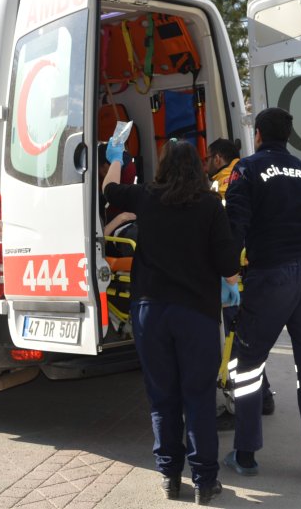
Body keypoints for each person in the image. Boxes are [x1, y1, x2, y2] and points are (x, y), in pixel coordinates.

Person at [102, 138, 241, 505]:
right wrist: (230, 285)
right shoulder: (209, 205)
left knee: (162, 398)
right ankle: (205, 481)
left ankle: (169, 477)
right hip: (196, 315)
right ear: (198, 167)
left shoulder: (146, 197)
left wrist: (115, 158)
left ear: (163, 167)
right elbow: (228, 263)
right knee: (198, 398)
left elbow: (109, 190)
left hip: (151, 313)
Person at [222, 107, 301, 484]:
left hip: (271, 276)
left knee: (248, 363)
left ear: (257, 134)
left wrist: (227, 269)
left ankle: (245, 454)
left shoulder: (246, 169)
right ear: (287, 136)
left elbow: (235, 226)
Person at [206, 137, 277, 430]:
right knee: (248, 338)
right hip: (258, 268)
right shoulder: (251, 173)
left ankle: (240, 404)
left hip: (235, 274)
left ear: (218, 158)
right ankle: (263, 396)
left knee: (233, 343)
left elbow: (223, 232)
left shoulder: (223, 185)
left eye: (208, 158)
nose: (207, 164)